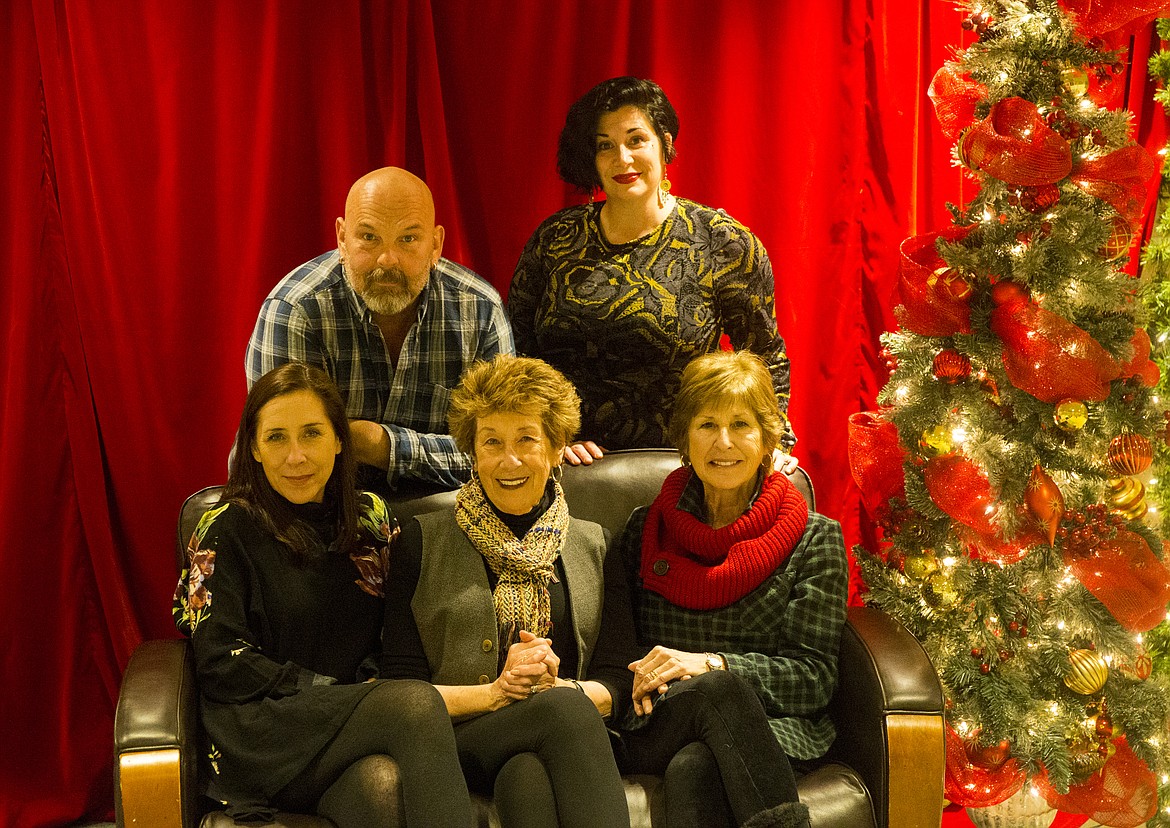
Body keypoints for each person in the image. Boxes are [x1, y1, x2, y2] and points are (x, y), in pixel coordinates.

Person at [173, 362, 472, 826]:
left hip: (350, 730)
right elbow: (219, 660)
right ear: (252, 447)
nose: (296, 457)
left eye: (311, 434)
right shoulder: (225, 529)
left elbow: (398, 627)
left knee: (381, 789)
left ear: (338, 440)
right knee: (413, 704)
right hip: (264, 730)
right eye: (276, 438)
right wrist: (334, 692)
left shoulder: (370, 519)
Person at [380, 354, 634, 828]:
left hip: (559, 739)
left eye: (526, 440)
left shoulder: (596, 543)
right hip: (457, 739)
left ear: (557, 448)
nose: (509, 460)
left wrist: (561, 687)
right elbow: (402, 685)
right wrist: (501, 692)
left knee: (527, 777)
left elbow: (619, 679)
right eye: (491, 442)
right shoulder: (420, 540)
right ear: (472, 454)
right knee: (560, 710)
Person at [508, 76, 796, 470]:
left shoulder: (721, 240)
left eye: (636, 140)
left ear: (666, 143)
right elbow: (517, 351)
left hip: (687, 467)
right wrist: (551, 434)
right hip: (565, 465)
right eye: (604, 145)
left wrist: (773, 439)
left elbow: (765, 356)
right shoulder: (555, 238)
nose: (621, 158)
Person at [613, 350, 848, 828]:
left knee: (698, 767)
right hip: (658, 719)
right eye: (706, 425)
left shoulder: (816, 539)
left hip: (768, 728)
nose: (724, 442)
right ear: (683, 438)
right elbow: (618, 650)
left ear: (766, 439)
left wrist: (714, 665)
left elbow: (815, 678)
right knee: (714, 698)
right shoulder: (645, 530)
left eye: (741, 425)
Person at [247, 166, 514, 492]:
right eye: (369, 237)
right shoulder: (295, 311)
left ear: (436, 244)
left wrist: (381, 444)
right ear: (343, 238)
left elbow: (505, 452)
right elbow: (287, 459)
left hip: (446, 514)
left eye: (408, 239)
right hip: (319, 512)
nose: (388, 260)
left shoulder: (480, 310)